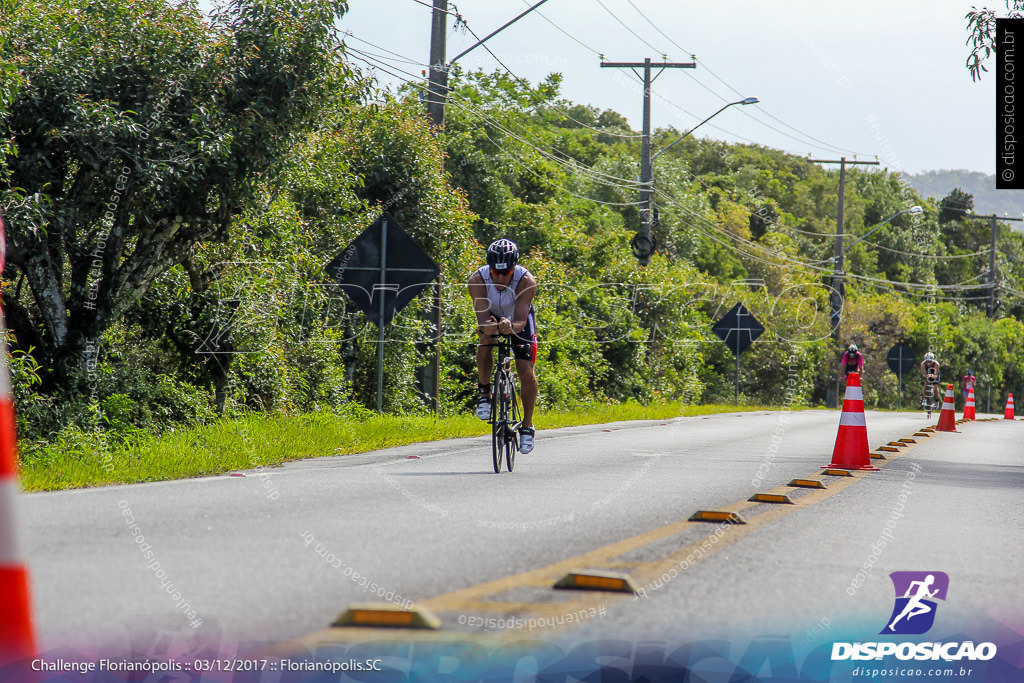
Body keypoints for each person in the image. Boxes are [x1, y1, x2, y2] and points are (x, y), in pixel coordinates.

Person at [468, 238, 538, 454]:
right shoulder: (477, 280)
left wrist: (510, 327)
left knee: (525, 370)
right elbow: (482, 319)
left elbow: (520, 321)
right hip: (493, 316)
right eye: (495, 272)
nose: (499, 277)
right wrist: (490, 326)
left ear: (513, 268)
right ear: (489, 268)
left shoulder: (526, 280)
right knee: (485, 340)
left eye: (505, 272)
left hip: (517, 319)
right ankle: (484, 392)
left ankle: (527, 426)